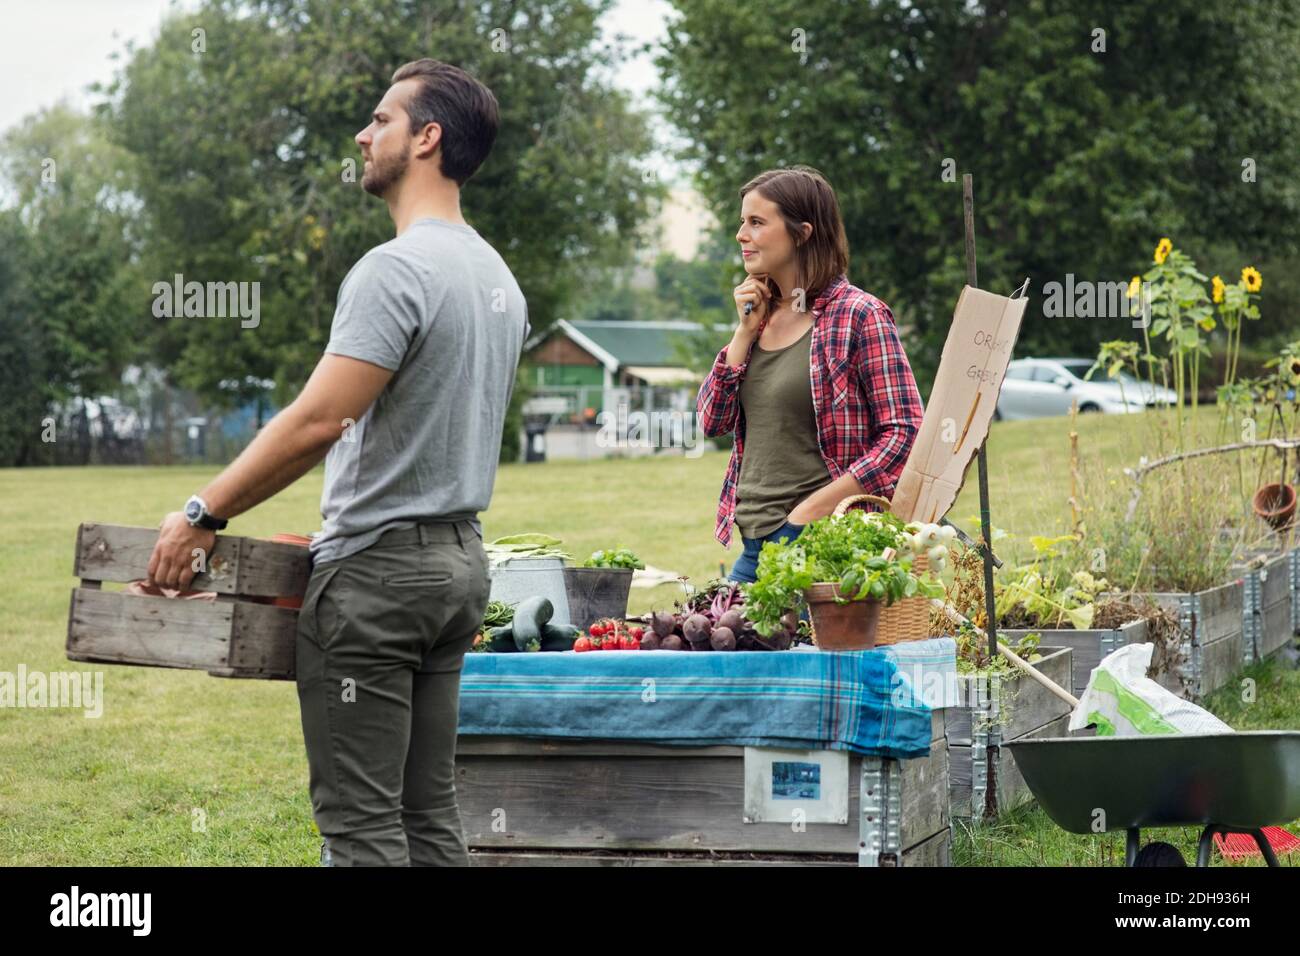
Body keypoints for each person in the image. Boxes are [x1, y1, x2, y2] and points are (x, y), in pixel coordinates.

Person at [146, 59, 529, 866]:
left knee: (360, 831)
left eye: (382, 119)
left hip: (379, 587)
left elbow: (319, 419)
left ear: (427, 139)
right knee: (429, 817)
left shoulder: (395, 270)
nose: (363, 133)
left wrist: (201, 513)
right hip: (457, 567)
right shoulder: (495, 274)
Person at [696, 165, 923, 583]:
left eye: (756, 222)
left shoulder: (859, 315)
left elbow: (905, 432)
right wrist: (742, 334)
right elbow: (712, 421)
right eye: (741, 222)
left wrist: (812, 510)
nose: (741, 235)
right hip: (753, 542)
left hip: (821, 544)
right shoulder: (758, 318)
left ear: (802, 233)